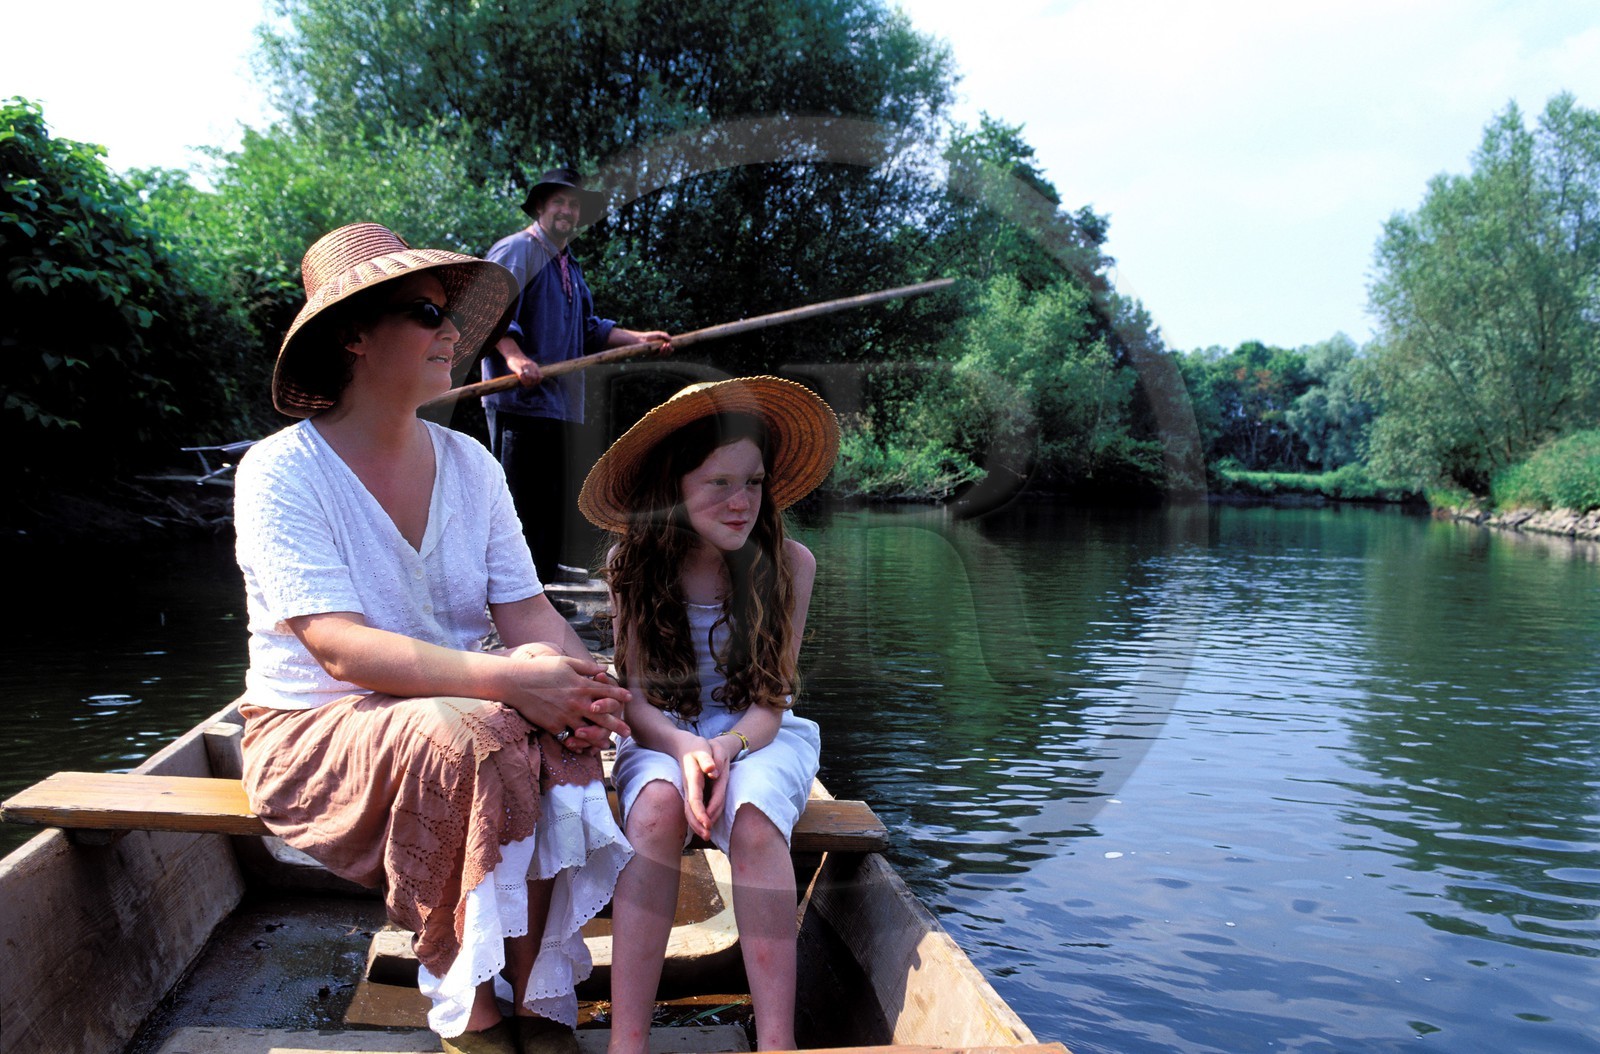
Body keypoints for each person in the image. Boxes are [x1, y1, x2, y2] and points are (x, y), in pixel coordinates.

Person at [233, 222, 633, 1054]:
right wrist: (517, 683)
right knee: (477, 730)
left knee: (546, 728)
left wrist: (585, 686)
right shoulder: (281, 471)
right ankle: (470, 1009)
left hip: (459, 708)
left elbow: (527, 615)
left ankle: (536, 997)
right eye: (426, 313)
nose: (455, 332)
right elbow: (340, 649)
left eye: (451, 314)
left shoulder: (472, 466)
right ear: (353, 335)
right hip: (317, 731)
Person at [575, 376, 840, 1053]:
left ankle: (776, 1042)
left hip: (758, 737)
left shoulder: (790, 565)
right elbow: (634, 700)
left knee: (752, 822)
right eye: (718, 482)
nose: (740, 501)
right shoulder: (630, 564)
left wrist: (721, 752)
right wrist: (685, 747)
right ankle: (626, 1041)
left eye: (752, 482)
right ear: (674, 488)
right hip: (664, 730)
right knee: (657, 814)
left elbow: (769, 707)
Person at [481, 166, 672, 584]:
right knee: (519, 499)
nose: (567, 210)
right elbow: (492, 309)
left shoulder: (569, 265)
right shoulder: (518, 251)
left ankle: (543, 580)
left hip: (560, 403)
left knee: (551, 500)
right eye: (559, 203)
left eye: (573, 205)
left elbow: (589, 330)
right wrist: (514, 358)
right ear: (540, 208)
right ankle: (515, 588)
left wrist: (639, 338)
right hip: (521, 401)